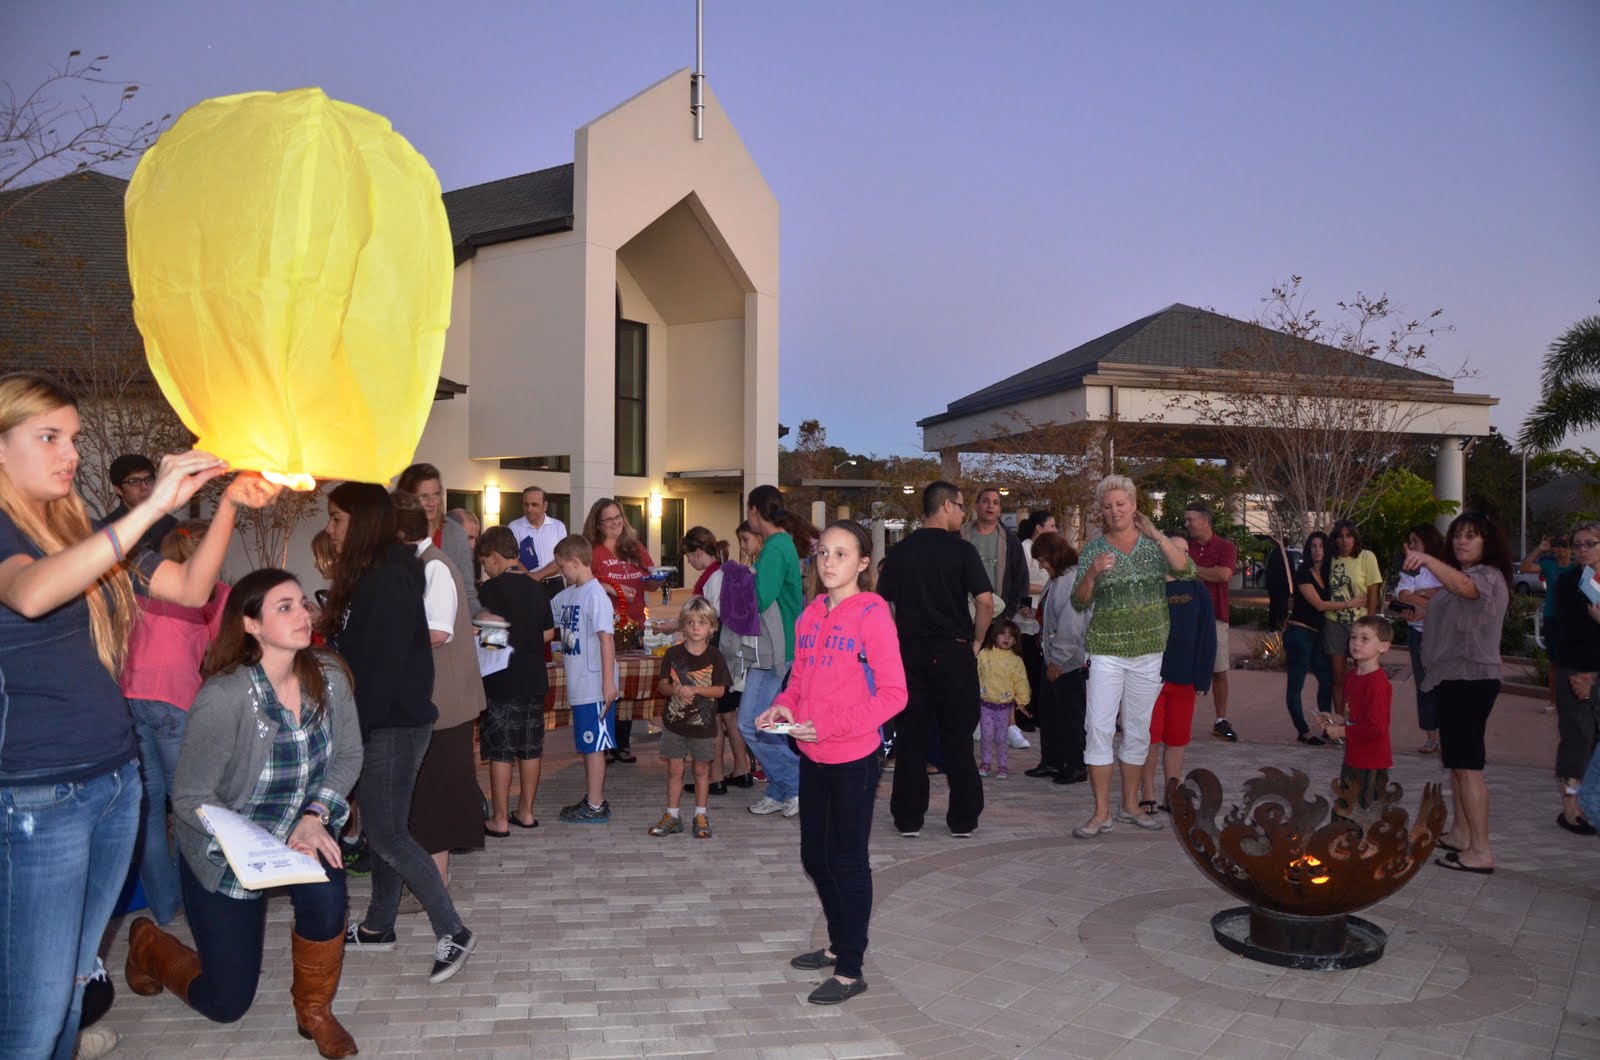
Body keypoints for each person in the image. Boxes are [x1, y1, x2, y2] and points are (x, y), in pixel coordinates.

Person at [0, 371, 278, 1060]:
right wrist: (152, 504)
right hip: (40, 794)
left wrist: (226, 506)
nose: (69, 453)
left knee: (71, 983)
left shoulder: (78, 523)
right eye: (49, 438)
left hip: (114, 781)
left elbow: (185, 588)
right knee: (31, 1016)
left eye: (73, 438)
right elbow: (30, 594)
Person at [124, 568, 361, 1059]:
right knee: (226, 1002)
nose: (303, 614)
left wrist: (316, 815)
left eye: (302, 602)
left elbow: (348, 757)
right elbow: (189, 796)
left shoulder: (330, 677)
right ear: (251, 625)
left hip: (301, 830)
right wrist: (246, 844)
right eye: (284, 607)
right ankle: (147, 944)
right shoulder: (224, 697)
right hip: (228, 848)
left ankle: (314, 1010)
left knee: (327, 895)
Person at [321, 482, 475, 983]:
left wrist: (351, 733)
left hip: (390, 723)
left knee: (388, 832)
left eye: (338, 518)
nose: (330, 528)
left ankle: (453, 930)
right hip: (385, 720)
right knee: (383, 829)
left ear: (363, 521)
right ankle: (378, 926)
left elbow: (381, 669)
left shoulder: (387, 578)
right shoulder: (377, 572)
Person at [760, 520, 907, 1006]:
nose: (829, 562)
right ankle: (838, 942)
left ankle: (851, 967)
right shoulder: (810, 614)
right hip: (813, 752)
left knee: (847, 860)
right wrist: (784, 705)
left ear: (863, 563)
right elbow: (800, 677)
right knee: (813, 857)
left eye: (841, 554)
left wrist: (832, 726)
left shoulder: (873, 615)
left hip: (855, 755)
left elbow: (894, 695)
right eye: (823, 552)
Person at [1070, 474, 1194, 839]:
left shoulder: (1155, 546)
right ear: (1101, 512)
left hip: (1149, 652)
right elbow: (1079, 602)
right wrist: (1092, 572)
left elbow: (1186, 571)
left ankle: (1130, 806)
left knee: (1139, 731)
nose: (1114, 511)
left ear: (1134, 505)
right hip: (1107, 650)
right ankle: (1101, 813)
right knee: (1099, 728)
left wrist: (1157, 535)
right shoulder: (1094, 550)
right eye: (1108, 507)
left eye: (1121, 504)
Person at [120, 520, 230, 926]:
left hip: (130, 698)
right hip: (175, 700)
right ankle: (199, 899)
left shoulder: (142, 589)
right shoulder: (214, 595)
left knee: (148, 808)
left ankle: (165, 907)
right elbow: (225, 652)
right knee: (187, 803)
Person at [877, 481, 993, 839]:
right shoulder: (962, 551)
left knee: (910, 738)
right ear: (945, 506)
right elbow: (986, 601)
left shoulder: (900, 552)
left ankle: (908, 819)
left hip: (909, 654)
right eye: (960, 506)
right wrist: (976, 642)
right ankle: (963, 820)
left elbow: (882, 605)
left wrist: (897, 640)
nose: (963, 513)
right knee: (957, 738)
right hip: (954, 651)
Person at [1407, 511, 1512, 875]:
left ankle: (1480, 850)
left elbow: (1465, 591)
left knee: (1469, 769)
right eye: (1457, 535)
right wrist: (1416, 607)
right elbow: (1451, 601)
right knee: (1456, 766)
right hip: (1452, 679)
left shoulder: (1487, 576)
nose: (1461, 541)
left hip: (1471, 680)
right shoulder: (1462, 577)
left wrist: (1429, 559)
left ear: (1488, 542)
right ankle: (1461, 833)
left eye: (1471, 535)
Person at [393, 492, 487, 896]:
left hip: (445, 703)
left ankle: (437, 884)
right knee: (426, 795)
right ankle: (428, 882)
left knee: (438, 797)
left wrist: (382, 635)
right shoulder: (417, 566)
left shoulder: (435, 568)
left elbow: (437, 632)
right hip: (431, 701)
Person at [739, 484, 815, 818]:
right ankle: (781, 788)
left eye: (747, 510)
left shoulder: (774, 546)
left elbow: (760, 598)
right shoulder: (783, 543)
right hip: (776, 647)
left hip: (774, 649)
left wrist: (739, 581)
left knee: (751, 723)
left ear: (755, 511)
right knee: (765, 722)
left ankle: (795, 782)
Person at [475, 525, 557, 835]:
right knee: (530, 748)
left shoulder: (491, 590)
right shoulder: (537, 587)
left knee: (501, 751)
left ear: (495, 556)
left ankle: (499, 819)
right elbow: (549, 632)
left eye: (485, 562)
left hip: (501, 679)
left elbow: (490, 641)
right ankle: (525, 812)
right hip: (534, 678)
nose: (485, 568)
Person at [660, 526, 752, 794]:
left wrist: (674, 626)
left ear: (699, 552)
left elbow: (707, 620)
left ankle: (716, 777)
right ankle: (742, 769)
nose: (689, 562)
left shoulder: (713, 579)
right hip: (732, 652)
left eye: (689, 557)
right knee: (729, 717)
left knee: (715, 717)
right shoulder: (724, 572)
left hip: (718, 651)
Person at [1137, 531, 1216, 816]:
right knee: (1150, 739)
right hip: (1151, 678)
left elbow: (1207, 636)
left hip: (1184, 678)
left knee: (1177, 739)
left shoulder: (1197, 590)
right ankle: (1148, 792)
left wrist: (1203, 676)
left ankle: (1173, 790)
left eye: (1185, 550)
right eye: (1174, 548)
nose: (1180, 554)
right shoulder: (1149, 588)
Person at [551, 534, 620, 823]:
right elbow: (547, 614)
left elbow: (606, 640)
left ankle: (595, 804)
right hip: (579, 683)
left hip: (594, 685)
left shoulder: (596, 596)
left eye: (562, 567)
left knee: (594, 747)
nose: (561, 573)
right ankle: (592, 798)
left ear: (576, 562)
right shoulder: (567, 596)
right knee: (586, 744)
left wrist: (607, 683)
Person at [650, 597, 731, 838]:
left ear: (711, 628)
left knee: (701, 770)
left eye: (702, 623)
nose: (696, 627)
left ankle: (700, 814)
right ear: (682, 626)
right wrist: (675, 689)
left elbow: (720, 690)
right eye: (691, 622)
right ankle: (672, 815)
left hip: (703, 726)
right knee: (675, 768)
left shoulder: (715, 656)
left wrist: (695, 689)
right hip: (675, 724)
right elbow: (662, 686)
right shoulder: (673, 654)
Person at [582, 497, 655, 762]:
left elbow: (651, 581)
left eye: (617, 517)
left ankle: (621, 743)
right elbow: (581, 579)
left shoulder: (634, 547)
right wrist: (612, 588)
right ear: (597, 524)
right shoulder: (592, 550)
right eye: (608, 520)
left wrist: (658, 580)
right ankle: (604, 740)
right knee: (604, 682)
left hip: (634, 625)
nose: (615, 523)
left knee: (627, 686)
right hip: (604, 628)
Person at [1547, 522, 1600, 834]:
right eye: (1577, 544)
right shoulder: (1569, 583)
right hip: (1576, 671)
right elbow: (1569, 632)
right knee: (1577, 739)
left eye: (1590, 543)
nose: (1582, 550)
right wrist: (1584, 675)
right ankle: (1570, 810)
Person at [1284, 531, 1358, 745]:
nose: (1317, 550)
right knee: (1295, 685)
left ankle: (1327, 727)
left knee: (1327, 680)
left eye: (1321, 546)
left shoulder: (1327, 574)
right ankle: (1303, 731)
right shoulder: (1303, 573)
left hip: (1316, 637)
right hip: (1299, 634)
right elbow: (1319, 605)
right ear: (1308, 550)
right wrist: (1350, 603)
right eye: (1313, 546)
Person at [1027, 532, 1090, 784]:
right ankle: (1052, 760)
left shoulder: (1069, 580)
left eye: (1042, 560)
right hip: (1053, 657)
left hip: (1066, 662)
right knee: (1051, 712)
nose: (1041, 566)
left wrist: (1058, 660)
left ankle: (1074, 764)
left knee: (1069, 715)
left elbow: (1070, 624)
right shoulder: (1059, 579)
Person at [1317, 615, 1394, 813]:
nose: (1356, 643)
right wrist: (1336, 719)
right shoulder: (1352, 676)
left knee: (1365, 812)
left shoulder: (1376, 683)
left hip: (1371, 761)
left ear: (1383, 647)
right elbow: (1354, 717)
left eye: (1365, 639)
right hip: (1353, 756)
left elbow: (1376, 728)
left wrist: (1342, 732)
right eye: (1353, 637)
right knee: (1347, 806)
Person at [394, 463, 480, 619]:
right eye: (424, 496)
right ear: (407, 499)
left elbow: (467, 593)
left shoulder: (456, 535)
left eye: (436, 495)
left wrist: (481, 615)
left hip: (444, 631)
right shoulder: (394, 534)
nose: (432, 503)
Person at [1183, 503, 1238, 742]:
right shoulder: (1187, 547)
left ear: (1205, 521)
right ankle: (1181, 719)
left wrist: (1191, 569)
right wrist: (1208, 571)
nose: (1187, 525)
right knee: (1184, 670)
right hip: (1186, 616)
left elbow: (1224, 575)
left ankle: (1220, 719)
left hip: (1216, 616)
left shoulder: (1226, 547)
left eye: (1190, 520)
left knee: (1219, 669)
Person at [1395, 523, 1449, 755]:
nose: (1410, 545)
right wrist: (1428, 598)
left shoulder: (1444, 566)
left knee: (1445, 685)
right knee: (1424, 685)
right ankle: (1431, 737)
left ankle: (1450, 735)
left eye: (1415, 540)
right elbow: (1403, 594)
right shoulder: (1410, 569)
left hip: (1443, 635)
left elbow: (1450, 594)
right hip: (1417, 633)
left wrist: (1424, 599)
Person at [1326, 519, 1383, 712]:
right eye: (1340, 536)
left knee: (1364, 674)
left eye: (1348, 535)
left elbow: (1373, 592)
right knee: (1338, 677)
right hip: (1334, 623)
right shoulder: (1329, 559)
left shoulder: (1366, 557)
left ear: (1355, 538)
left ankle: (1362, 717)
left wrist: (1371, 624)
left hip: (1361, 623)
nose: (1344, 540)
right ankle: (1340, 722)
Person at [1522, 533, 1577, 714]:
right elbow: (1524, 568)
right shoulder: (1548, 564)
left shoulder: (1578, 567)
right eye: (1558, 546)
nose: (1561, 550)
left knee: (1574, 661)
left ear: (1571, 549)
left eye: (1565, 546)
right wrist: (1540, 549)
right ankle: (1553, 702)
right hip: (1552, 616)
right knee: (1554, 662)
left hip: (1574, 619)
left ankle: (1573, 701)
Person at [959, 487, 1028, 620]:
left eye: (995, 503)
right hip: (963, 613)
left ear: (999, 510)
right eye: (986, 501)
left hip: (998, 614)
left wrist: (1010, 613)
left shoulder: (1010, 540)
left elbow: (1021, 578)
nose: (991, 506)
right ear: (976, 505)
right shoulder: (960, 536)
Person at [976, 618, 1030, 779]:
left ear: (1015, 640)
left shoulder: (1016, 661)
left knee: (1001, 737)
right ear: (995, 636)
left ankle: (1002, 765)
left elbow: (1021, 682)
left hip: (1004, 706)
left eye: (1011, 636)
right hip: (985, 703)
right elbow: (976, 674)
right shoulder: (984, 655)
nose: (1006, 639)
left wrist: (1022, 701)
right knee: (986, 735)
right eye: (1002, 634)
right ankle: (985, 763)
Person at [103, 452, 179, 557]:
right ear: (118, 489)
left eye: (148, 479)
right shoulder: (107, 530)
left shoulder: (170, 524)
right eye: (134, 481)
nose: (144, 487)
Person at [506, 485, 567, 593]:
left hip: (554, 585)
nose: (529, 509)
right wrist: (530, 577)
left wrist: (537, 575)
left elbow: (562, 558)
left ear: (545, 506)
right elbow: (513, 559)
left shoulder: (558, 526)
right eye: (526, 504)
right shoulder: (514, 527)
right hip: (525, 585)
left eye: (534, 505)